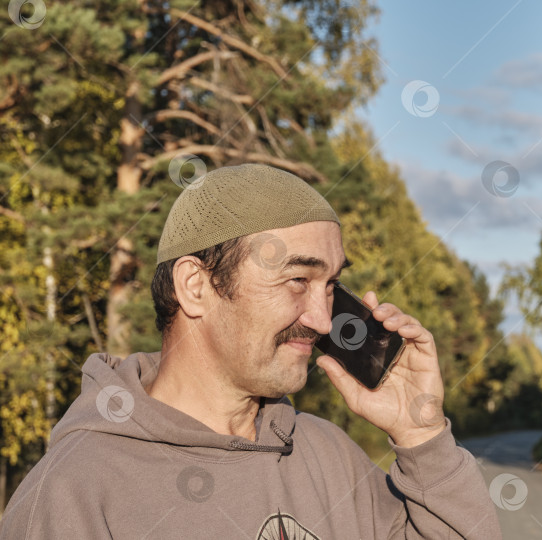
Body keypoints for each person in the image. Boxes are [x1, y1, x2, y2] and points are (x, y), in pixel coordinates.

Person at [0, 164, 501, 539]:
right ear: (195, 286)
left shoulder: (328, 458)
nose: (324, 319)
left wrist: (421, 434)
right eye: (297, 280)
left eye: (330, 284)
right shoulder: (76, 491)